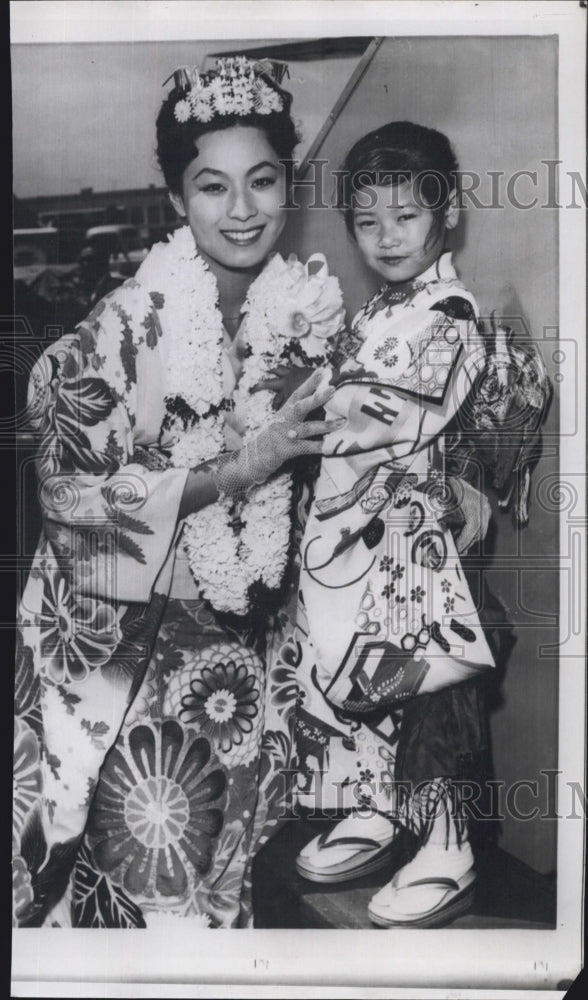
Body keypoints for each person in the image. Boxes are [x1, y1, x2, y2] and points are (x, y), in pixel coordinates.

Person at [13, 57, 346, 929]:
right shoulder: (127, 325)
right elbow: (69, 494)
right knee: (147, 884)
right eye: (211, 186)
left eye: (261, 180)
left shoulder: (308, 311)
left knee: (230, 882)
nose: (241, 210)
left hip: (253, 651)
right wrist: (230, 474)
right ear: (176, 198)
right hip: (137, 651)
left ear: (288, 184)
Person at [291, 121, 498, 928]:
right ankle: (379, 806)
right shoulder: (381, 307)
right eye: (367, 221)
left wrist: (311, 412)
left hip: (415, 536)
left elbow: (398, 412)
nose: (386, 237)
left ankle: (448, 843)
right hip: (351, 527)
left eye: (406, 216)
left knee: (421, 678)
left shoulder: (450, 312)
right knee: (347, 670)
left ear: (447, 214)